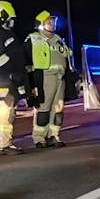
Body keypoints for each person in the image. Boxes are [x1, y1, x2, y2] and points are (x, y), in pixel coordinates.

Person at [0, 0, 28, 154]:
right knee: (5, 111)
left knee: (7, 110)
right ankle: (3, 144)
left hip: (4, 78)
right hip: (1, 79)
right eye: (10, 18)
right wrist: (13, 70)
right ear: (2, 15)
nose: (11, 22)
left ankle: (2, 143)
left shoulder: (0, 31)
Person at [26, 10, 74, 147]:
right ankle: (39, 138)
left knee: (58, 109)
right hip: (44, 78)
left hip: (60, 78)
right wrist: (31, 81)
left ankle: (54, 135)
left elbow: (66, 56)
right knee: (43, 108)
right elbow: (27, 60)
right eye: (49, 22)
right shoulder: (34, 38)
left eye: (53, 22)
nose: (52, 24)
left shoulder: (58, 38)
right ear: (40, 24)